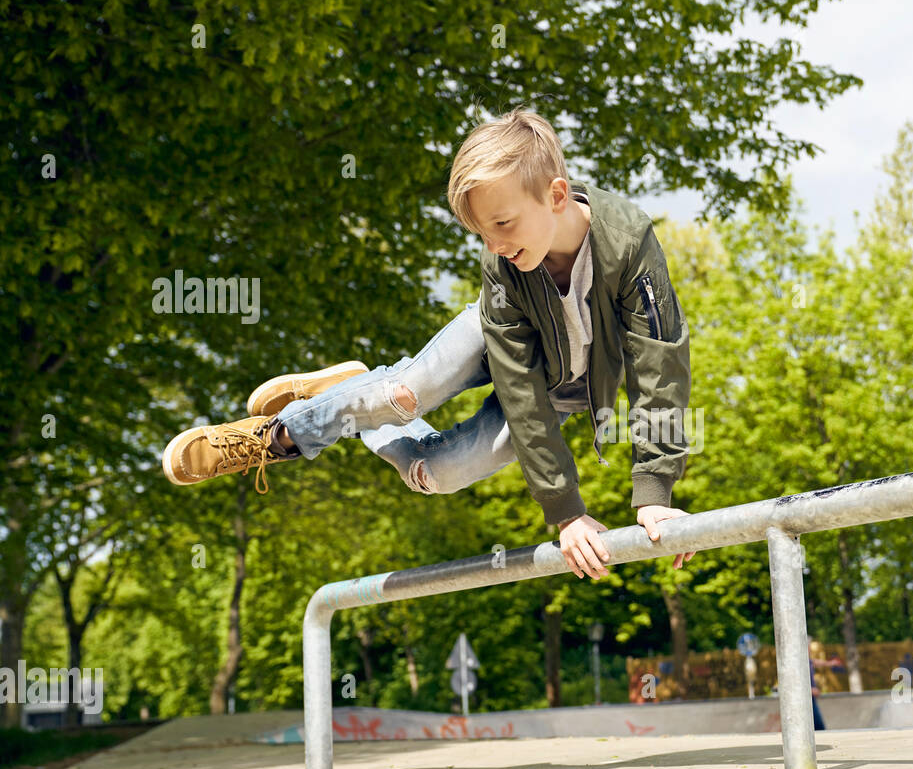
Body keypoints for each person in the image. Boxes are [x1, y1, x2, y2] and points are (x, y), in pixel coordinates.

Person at [162, 108, 697, 578]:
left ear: (556, 195)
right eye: (482, 234)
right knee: (403, 395)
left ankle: (349, 387)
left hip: (561, 391)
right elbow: (516, 381)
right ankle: (281, 435)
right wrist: (566, 510)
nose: (495, 246)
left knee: (433, 476)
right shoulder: (502, 263)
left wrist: (654, 492)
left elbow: (660, 368)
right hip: (495, 341)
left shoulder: (628, 245)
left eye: (503, 225)